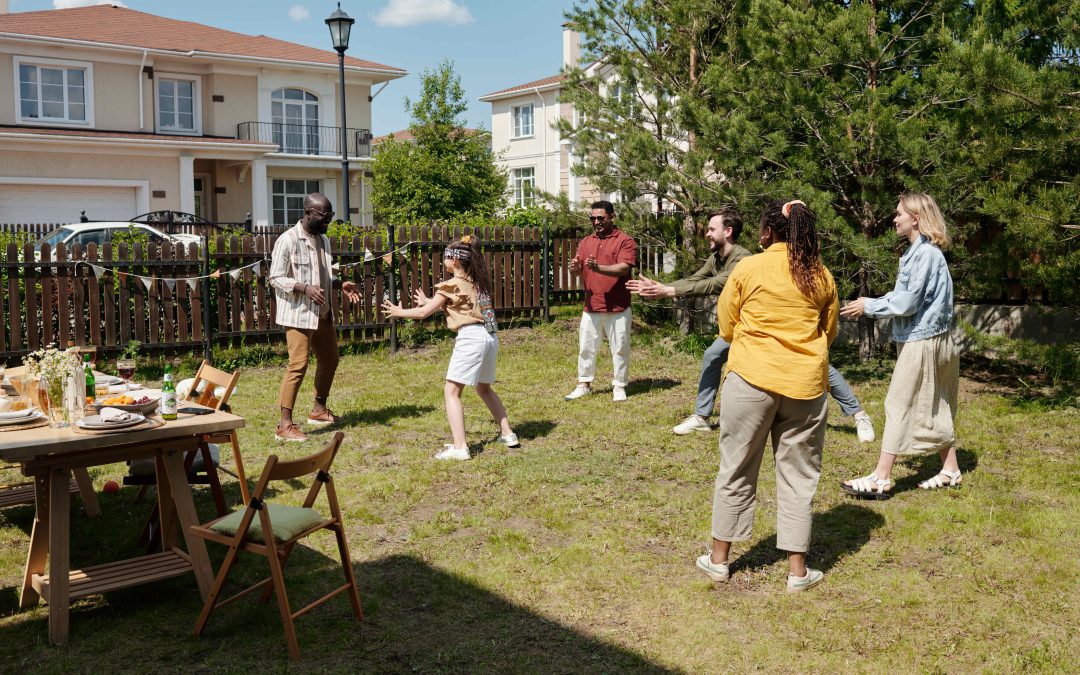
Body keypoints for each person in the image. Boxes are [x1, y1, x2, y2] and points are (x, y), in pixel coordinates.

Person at [628, 208, 876, 442]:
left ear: (728, 231)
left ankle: (858, 414)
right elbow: (696, 280)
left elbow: (716, 285)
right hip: (741, 328)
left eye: (711, 228)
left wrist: (668, 290)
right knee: (713, 355)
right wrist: (660, 287)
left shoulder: (744, 259)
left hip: (764, 328)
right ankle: (702, 416)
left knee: (820, 364)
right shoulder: (717, 258)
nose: (706, 233)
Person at [696, 199, 837, 593]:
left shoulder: (749, 267)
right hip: (805, 387)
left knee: (736, 468)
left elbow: (726, 325)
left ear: (769, 233)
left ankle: (719, 561)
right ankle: (797, 573)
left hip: (752, 380)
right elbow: (829, 330)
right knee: (799, 477)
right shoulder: (820, 274)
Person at [840, 193, 960, 498]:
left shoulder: (926, 255)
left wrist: (869, 305)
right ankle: (950, 469)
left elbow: (906, 303)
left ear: (916, 218)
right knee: (935, 403)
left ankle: (882, 477)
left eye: (899, 214)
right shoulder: (919, 253)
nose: (894, 219)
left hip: (924, 339)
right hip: (929, 338)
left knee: (898, 403)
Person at [382, 235, 518, 461]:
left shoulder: (449, 285)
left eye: (446, 256)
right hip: (489, 336)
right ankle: (508, 434)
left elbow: (423, 314)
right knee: (484, 388)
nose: (443, 259)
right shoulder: (476, 281)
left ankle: (460, 447)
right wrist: (429, 302)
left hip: (471, 338)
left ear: (455, 261)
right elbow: (460, 308)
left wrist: (399, 312)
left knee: (451, 391)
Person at [269, 193, 360, 442]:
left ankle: (319, 410)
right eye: (324, 215)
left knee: (330, 360)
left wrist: (339, 284)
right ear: (308, 212)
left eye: (330, 215)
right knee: (297, 366)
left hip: (322, 312)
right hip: (298, 314)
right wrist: (303, 287)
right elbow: (275, 278)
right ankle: (284, 425)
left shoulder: (324, 240)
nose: (328, 220)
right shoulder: (287, 240)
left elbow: (322, 274)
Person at [565, 200, 638, 402]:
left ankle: (619, 386)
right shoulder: (586, 241)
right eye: (593, 218)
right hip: (592, 305)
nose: (596, 222)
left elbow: (624, 268)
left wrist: (599, 268)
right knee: (586, 347)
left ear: (612, 217)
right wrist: (575, 268)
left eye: (600, 218)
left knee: (620, 348)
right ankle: (584, 384)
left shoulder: (624, 240)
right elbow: (578, 267)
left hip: (618, 306)